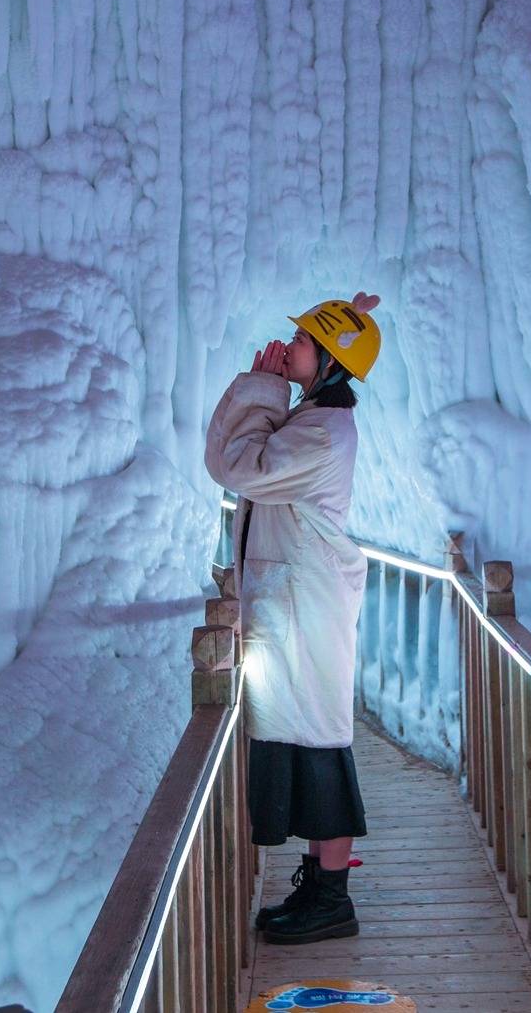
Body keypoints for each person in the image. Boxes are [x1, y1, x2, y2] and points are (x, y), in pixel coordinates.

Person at [203, 291, 383, 946]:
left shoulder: (320, 430)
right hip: (301, 603)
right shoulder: (317, 419)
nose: (292, 347)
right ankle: (319, 887)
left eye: (306, 340)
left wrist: (261, 389)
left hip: (306, 608)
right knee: (310, 746)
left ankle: (331, 898)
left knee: (321, 750)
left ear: (330, 361)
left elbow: (236, 467)